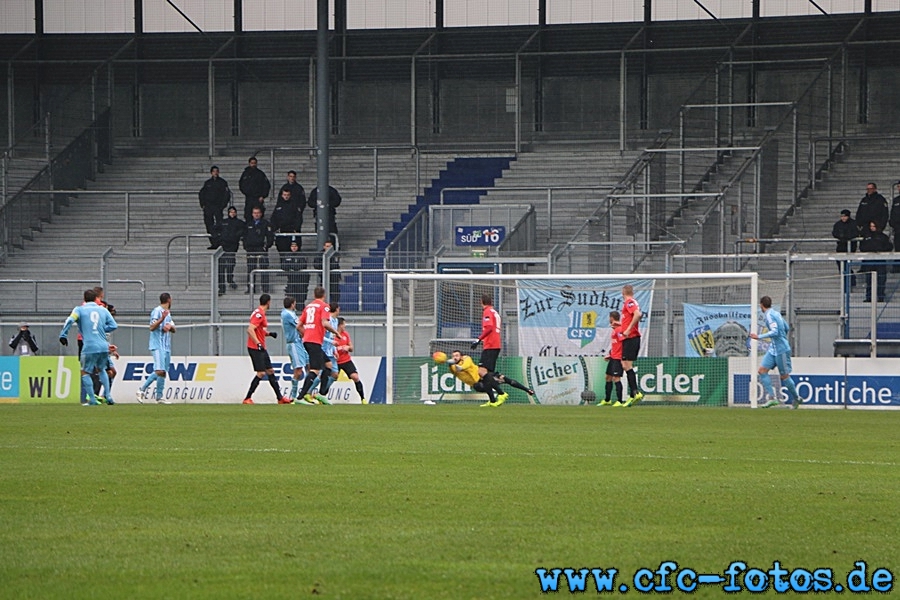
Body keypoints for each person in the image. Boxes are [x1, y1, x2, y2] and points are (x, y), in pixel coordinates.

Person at [468, 293, 533, 402]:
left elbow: (488, 328)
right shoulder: (495, 312)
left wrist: (478, 339)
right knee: (489, 376)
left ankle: (501, 394)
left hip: (490, 345)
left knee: (481, 372)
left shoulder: (487, 312)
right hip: (495, 344)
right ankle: (493, 400)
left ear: (481, 302)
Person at [59, 289, 117, 406]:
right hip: (103, 345)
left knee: (85, 372)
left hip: (90, 345)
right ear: (96, 298)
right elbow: (113, 325)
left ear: (84, 299)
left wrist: (63, 334)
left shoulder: (79, 309)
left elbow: (70, 320)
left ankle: (92, 400)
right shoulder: (102, 310)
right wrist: (100, 330)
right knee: (102, 370)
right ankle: (108, 396)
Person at [749, 296, 801, 409]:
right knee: (762, 370)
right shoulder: (776, 313)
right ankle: (772, 398)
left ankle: (797, 398)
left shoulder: (769, 315)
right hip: (773, 349)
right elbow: (786, 327)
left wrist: (759, 336)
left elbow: (775, 331)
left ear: (761, 305)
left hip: (781, 350)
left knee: (784, 376)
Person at [243, 293, 290, 405]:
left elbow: (257, 330)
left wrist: (269, 334)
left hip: (261, 347)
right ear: (268, 302)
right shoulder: (259, 314)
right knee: (261, 373)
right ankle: (247, 398)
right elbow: (250, 329)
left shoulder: (259, 313)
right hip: (255, 348)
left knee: (270, 371)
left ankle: (280, 398)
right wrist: (258, 343)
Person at [297, 287, 340, 405]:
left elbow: (299, 326)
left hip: (308, 340)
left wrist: (306, 334)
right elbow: (325, 323)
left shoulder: (308, 307)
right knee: (315, 370)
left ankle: (321, 395)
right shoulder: (324, 306)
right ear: (324, 295)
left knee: (328, 365)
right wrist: (336, 333)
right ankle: (300, 397)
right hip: (314, 342)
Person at [137, 293, 176, 404]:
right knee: (159, 371)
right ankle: (141, 390)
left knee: (163, 372)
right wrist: (161, 319)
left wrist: (170, 327)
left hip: (166, 346)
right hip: (157, 345)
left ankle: (159, 397)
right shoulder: (157, 311)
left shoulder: (168, 314)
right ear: (169, 300)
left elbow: (174, 329)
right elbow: (152, 327)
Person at [280, 296, 313, 404]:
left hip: (299, 342)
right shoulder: (287, 314)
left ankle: (307, 394)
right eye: (294, 303)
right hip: (294, 344)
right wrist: (309, 336)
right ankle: (294, 397)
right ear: (292, 304)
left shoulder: (290, 314)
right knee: (298, 371)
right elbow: (299, 326)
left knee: (310, 367)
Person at [619, 284, 644, 407]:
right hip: (629, 338)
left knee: (626, 365)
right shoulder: (630, 303)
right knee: (626, 365)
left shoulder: (629, 302)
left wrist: (628, 329)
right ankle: (633, 394)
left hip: (631, 338)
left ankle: (635, 392)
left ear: (623, 292)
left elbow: (637, 314)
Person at [270, 186, 305, 268]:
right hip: (282, 232)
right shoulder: (278, 206)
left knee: (293, 250)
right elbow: (273, 219)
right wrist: (275, 229)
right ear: (282, 195)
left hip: (292, 232)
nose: (286, 196)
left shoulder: (294, 206)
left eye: (287, 195)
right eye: (284, 195)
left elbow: (298, 218)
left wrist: (296, 228)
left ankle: (295, 267)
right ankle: (283, 267)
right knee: (282, 250)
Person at [858, 220, 892, 303]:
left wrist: (880, 250)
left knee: (881, 279)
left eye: (874, 226)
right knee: (869, 279)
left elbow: (889, 246)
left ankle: (880, 297)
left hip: (880, 260)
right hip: (869, 260)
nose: (872, 228)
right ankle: (869, 297)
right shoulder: (867, 236)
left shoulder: (883, 237)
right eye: (871, 226)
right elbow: (862, 247)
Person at [243, 206, 275, 294]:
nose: (256, 215)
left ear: (261, 213)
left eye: (258, 213)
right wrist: (246, 246)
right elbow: (244, 236)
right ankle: (250, 288)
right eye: (254, 213)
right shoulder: (248, 224)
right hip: (251, 249)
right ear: (252, 214)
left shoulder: (266, 224)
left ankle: (265, 288)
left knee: (264, 268)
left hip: (261, 248)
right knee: (250, 269)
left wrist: (267, 246)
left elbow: (270, 236)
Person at [335, 316, 366, 404]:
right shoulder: (332, 335)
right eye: (344, 324)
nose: (345, 326)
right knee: (331, 379)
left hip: (346, 360)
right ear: (340, 325)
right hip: (335, 362)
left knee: (355, 377)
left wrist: (348, 347)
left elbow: (351, 348)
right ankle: (321, 395)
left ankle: (363, 398)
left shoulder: (345, 334)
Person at [216, 206, 246, 295]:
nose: (232, 213)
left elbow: (244, 230)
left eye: (234, 212)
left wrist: (237, 236)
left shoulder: (239, 223)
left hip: (232, 247)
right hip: (223, 247)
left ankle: (230, 279)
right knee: (221, 268)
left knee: (230, 264)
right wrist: (219, 238)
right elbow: (214, 229)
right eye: (231, 212)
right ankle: (221, 287)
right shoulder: (223, 222)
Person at [199, 165, 231, 249]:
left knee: (219, 224)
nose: (215, 173)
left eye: (217, 171)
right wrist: (203, 204)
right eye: (214, 171)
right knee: (209, 224)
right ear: (211, 173)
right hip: (209, 207)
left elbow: (227, 194)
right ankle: (213, 242)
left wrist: (222, 205)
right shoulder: (208, 183)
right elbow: (202, 193)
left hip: (218, 206)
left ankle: (220, 241)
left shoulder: (222, 182)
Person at [598, 311, 625, 407]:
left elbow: (624, 342)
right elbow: (616, 345)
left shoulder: (618, 330)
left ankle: (620, 401)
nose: (609, 319)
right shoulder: (614, 330)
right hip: (613, 357)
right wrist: (610, 354)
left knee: (616, 378)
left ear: (612, 318)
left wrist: (623, 356)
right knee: (608, 377)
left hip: (618, 358)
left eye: (609, 318)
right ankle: (607, 400)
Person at [239, 156, 271, 222]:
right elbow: (241, 184)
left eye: (254, 163)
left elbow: (266, 185)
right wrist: (246, 192)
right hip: (249, 198)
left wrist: (263, 196)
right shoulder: (245, 174)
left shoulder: (260, 174)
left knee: (259, 213)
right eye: (252, 163)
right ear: (249, 163)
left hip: (258, 198)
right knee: (248, 214)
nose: (253, 164)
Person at [832, 209, 858, 287]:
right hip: (841, 246)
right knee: (841, 263)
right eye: (842, 216)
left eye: (845, 216)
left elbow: (855, 233)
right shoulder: (838, 224)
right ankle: (848, 279)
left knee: (846, 263)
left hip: (850, 247)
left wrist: (845, 237)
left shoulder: (853, 224)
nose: (843, 218)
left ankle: (850, 280)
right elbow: (834, 233)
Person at [314, 239, 342, 304]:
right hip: (324, 277)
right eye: (327, 246)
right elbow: (316, 265)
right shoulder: (320, 255)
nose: (328, 248)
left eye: (329, 246)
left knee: (335, 294)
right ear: (324, 247)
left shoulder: (335, 254)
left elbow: (335, 265)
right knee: (323, 294)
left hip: (334, 278)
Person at [889, 184, 900, 272]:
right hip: (898, 229)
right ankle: (897, 266)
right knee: (897, 247)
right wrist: (893, 223)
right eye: (898, 186)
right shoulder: (896, 200)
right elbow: (893, 214)